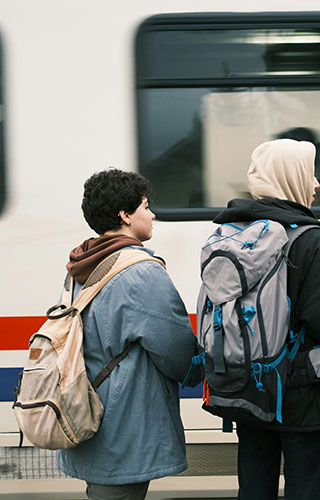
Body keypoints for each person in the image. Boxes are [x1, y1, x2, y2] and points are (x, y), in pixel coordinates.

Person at [212, 138, 320, 500]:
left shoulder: (231, 233)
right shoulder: (309, 238)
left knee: (254, 488)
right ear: (290, 178)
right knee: (304, 489)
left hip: (248, 386)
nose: (315, 185)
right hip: (302, 392)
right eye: (310, 175)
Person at [56, 168, 198, 500]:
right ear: (125, 215)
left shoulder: (82, 265)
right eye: (145, 206)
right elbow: (176, 348)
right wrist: (200, 372)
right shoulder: (141, 272)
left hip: (87, 407)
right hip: (124, 420)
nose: (151, 214)